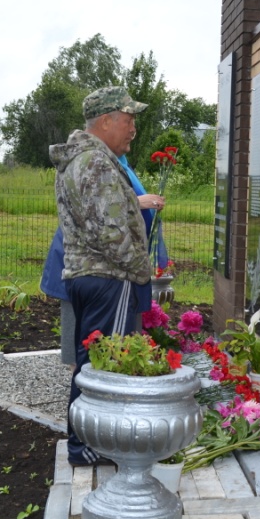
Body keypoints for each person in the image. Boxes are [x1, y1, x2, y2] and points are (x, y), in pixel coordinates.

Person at [50, 86, 154, 465]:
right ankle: (90, 446)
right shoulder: (95, 163)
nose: (133, 129)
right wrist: (141, 271)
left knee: (93, 365)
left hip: (89, 276)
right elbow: (112, 234)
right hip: (109, 278)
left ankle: (86, 443)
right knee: (105, 368)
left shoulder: (83, 159)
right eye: (128, 120)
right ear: (107, 121)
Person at [39, 155, 165, 366]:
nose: (131, 137)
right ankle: (83, 379)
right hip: (86, 265)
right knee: (85, 344)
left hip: (112, 266)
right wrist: (138, 202)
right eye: (127, 131)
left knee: (114, 347)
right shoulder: (92, 160)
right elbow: (90, 205)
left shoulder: (120, 162)